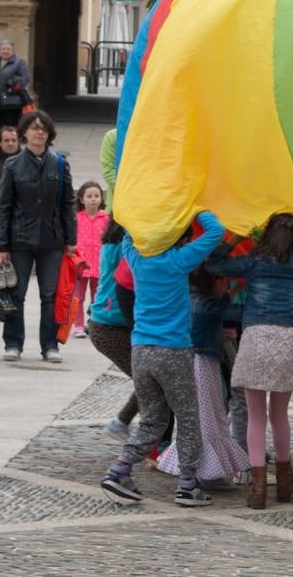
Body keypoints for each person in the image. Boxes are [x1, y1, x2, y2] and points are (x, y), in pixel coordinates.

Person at [204, 215, 293, 509]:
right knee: (279, 415)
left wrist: (235, 239)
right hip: (289, 339)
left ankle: (258, 487)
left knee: (255, 416)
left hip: (255, 336)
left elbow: (215, 264)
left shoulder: (254, 261)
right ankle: (285, 480)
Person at [100, 211, 225, 507]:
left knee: (152, 419)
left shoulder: (137, 260)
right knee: (188, 417)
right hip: (173, 351)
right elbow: (216, 231)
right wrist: (193, 207)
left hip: (141, 351)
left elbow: (129, 232)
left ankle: (119, 470)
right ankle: (188, 484)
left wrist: (150, 211)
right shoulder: (179, 260)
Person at [157, 268, 251, 489]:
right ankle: (205, 472)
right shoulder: (209, 306)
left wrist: (238, 284)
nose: (227, 286)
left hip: (191, 362)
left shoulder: (192, 298)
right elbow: (232, 311)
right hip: (203, 364)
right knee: (208, 415)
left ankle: (209, 471)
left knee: (207, 414)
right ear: (215, 282)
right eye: (224, 281)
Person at [0, 110, 77, 364]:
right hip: (19, 239)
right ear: (24, 133)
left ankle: (50, 345)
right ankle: (13, 343)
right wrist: (2, 245)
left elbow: (68, 204)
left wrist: (71, 240)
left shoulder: (60, 164)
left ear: (49, 133)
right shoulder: (12, 165)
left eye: (43, 128)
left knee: (50, 295)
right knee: (16, 293)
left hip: (52, 239)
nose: (39, 131)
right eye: (34, 127)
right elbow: (4, 207)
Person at [88, 221, 141, 440]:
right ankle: (121, 423)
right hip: (109, 325)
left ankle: (125, 424)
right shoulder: (120, 248)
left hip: (115, 322)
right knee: (150, 381)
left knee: (150, 379)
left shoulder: (113, 244)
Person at [71, 181, 109, 340]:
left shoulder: (106, 218)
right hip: (81, 264)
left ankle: (93, 323)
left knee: (97, 297)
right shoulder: (76, 218)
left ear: (101, 198)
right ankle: (78, 325)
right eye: (89, 196)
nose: (93, 199)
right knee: (78, 297)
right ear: (81, 199)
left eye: (96, 196)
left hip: (100, 265)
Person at [0, 38, 31, 134]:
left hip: (12, 102)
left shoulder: (19, 63)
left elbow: (25, 78)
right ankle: (0, 147)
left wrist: (13, 82)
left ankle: (13, 148)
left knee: (12, 129)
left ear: (12, 50)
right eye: (3, 49)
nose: (5, 51)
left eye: (8, 49)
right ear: (0, 50)